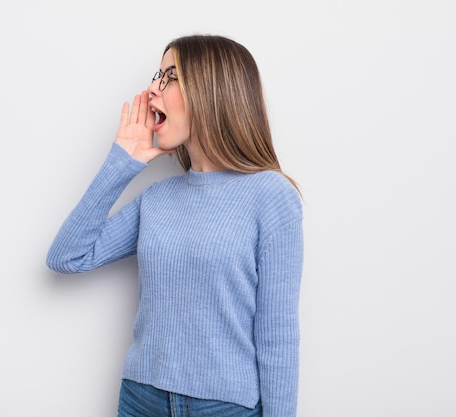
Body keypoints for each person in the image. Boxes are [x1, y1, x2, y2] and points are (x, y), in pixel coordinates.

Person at [46, 34, 303, 417]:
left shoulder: (271, 195)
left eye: (169, 77)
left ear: (211, 89)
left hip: (223, 407)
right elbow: (67, 257)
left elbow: (278, 335)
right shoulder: (157, 198)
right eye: (157, 75)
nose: (152, 89)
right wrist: (123, 161)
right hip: (140, 398)